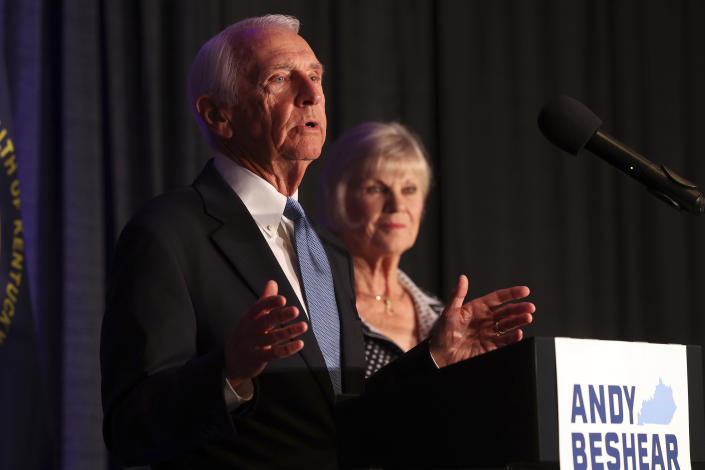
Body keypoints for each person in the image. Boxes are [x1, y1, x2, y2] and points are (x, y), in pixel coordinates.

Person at [100, 14, 535, 469]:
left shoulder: (327, 251)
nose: (310, 94)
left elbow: (346, 422)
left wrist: (435, 356)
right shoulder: (169, 232)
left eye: (314, 76)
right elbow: (131, 427)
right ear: (217, 115)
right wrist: (229, 372)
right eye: (280, 79)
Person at [318, 122, 443, 378]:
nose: (397, 205)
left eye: (409, 190)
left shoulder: (439, 315)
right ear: (339, 198)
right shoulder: (318, 307)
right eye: (376, 189)